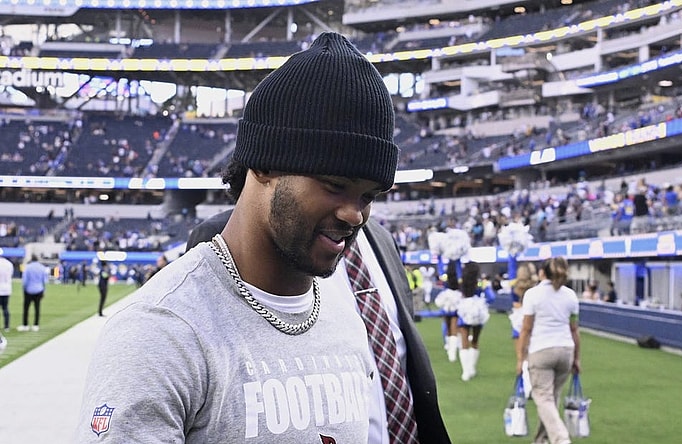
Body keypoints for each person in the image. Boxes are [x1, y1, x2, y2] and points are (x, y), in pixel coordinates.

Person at [76, 32, 449, 443]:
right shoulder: (162, 331)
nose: (354, 213)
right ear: (265, 164)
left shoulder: (345, 315)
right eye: (334, 184)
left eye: (369, 196)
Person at [516, 257, 581, 444]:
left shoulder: (533, 295)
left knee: (544, 399)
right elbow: (575, 330)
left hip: (541, 350)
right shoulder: (570, 295)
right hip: (566, 349)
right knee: (552, 399)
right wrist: (577, 358)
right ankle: (541, 440)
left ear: (543, 272)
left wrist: (520, 358)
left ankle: (561, 438)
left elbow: (526, 329)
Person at [456, 261, 490, 381]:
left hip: (464, 312)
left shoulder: (461, 283)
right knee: (475, 340)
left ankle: (465, 372)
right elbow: (491, 297)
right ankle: (472, 368)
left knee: (464, 340)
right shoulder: (480, 284)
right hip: (477, 312)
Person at [434, 262, 462, 363]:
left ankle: (451, 351)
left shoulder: (446, 278)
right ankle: (451, 351)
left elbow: (438, 302)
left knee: (449, 329)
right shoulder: (459, 277)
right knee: (453, 330)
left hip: (447, 308)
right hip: (454, 308)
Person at [19, 254, 48, 332]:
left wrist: (24, 288)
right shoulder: (42, 267)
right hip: (39, 289)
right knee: (37, 308)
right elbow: (45, 281)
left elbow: (24, 280)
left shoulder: (28, 267)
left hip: (29, 289)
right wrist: (44, 290)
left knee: (26, 308)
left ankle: (25, 325)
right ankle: (36, 325)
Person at [0, 255, 13, 332]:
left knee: (5, 308)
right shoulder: (9, 264)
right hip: (6, 288)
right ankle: (6, 326)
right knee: (5, 308)